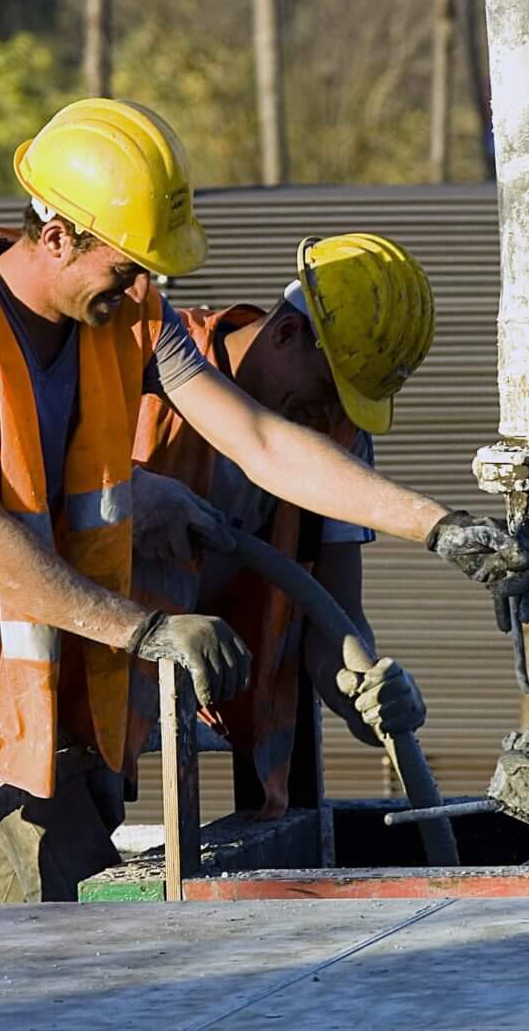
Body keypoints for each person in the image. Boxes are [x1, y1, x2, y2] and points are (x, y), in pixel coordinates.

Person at [0, 97, 529, 902]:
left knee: (66, 949)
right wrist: (147, 631)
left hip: (39, 699)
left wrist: (440, 527)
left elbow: (261, 442)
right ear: (60, 235)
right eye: (128, 266)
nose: (143, 287)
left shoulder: (128, 316)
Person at [129, 233, 438, 817]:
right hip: (85, 688)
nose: (329, 421)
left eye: (349, 408)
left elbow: (334, 617)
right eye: (328, 393)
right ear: (287, 333)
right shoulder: (148, 372)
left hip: (223, 690)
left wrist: (361, 694)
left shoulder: (338, 437)